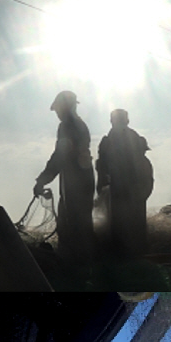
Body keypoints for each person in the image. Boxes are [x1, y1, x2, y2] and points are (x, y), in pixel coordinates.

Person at [34, 91, 95, 270]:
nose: (57, 114)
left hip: (76, 181)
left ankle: (78, 267)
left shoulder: (68, 126)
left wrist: (42, 181)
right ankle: (83, 265)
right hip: (79, 179)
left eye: (58, 109)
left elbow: (60, 156)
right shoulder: (78, 124)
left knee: (74, 225)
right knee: (76, 223)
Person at [96, 110, 153, 257]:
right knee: (126, 224)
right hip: (124, 189)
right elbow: (102, 166)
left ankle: (128, 255)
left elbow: (102, 166)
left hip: (126, 189)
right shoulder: (124, 137)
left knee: (125, 224)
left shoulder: (112, 139)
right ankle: (129, 254)